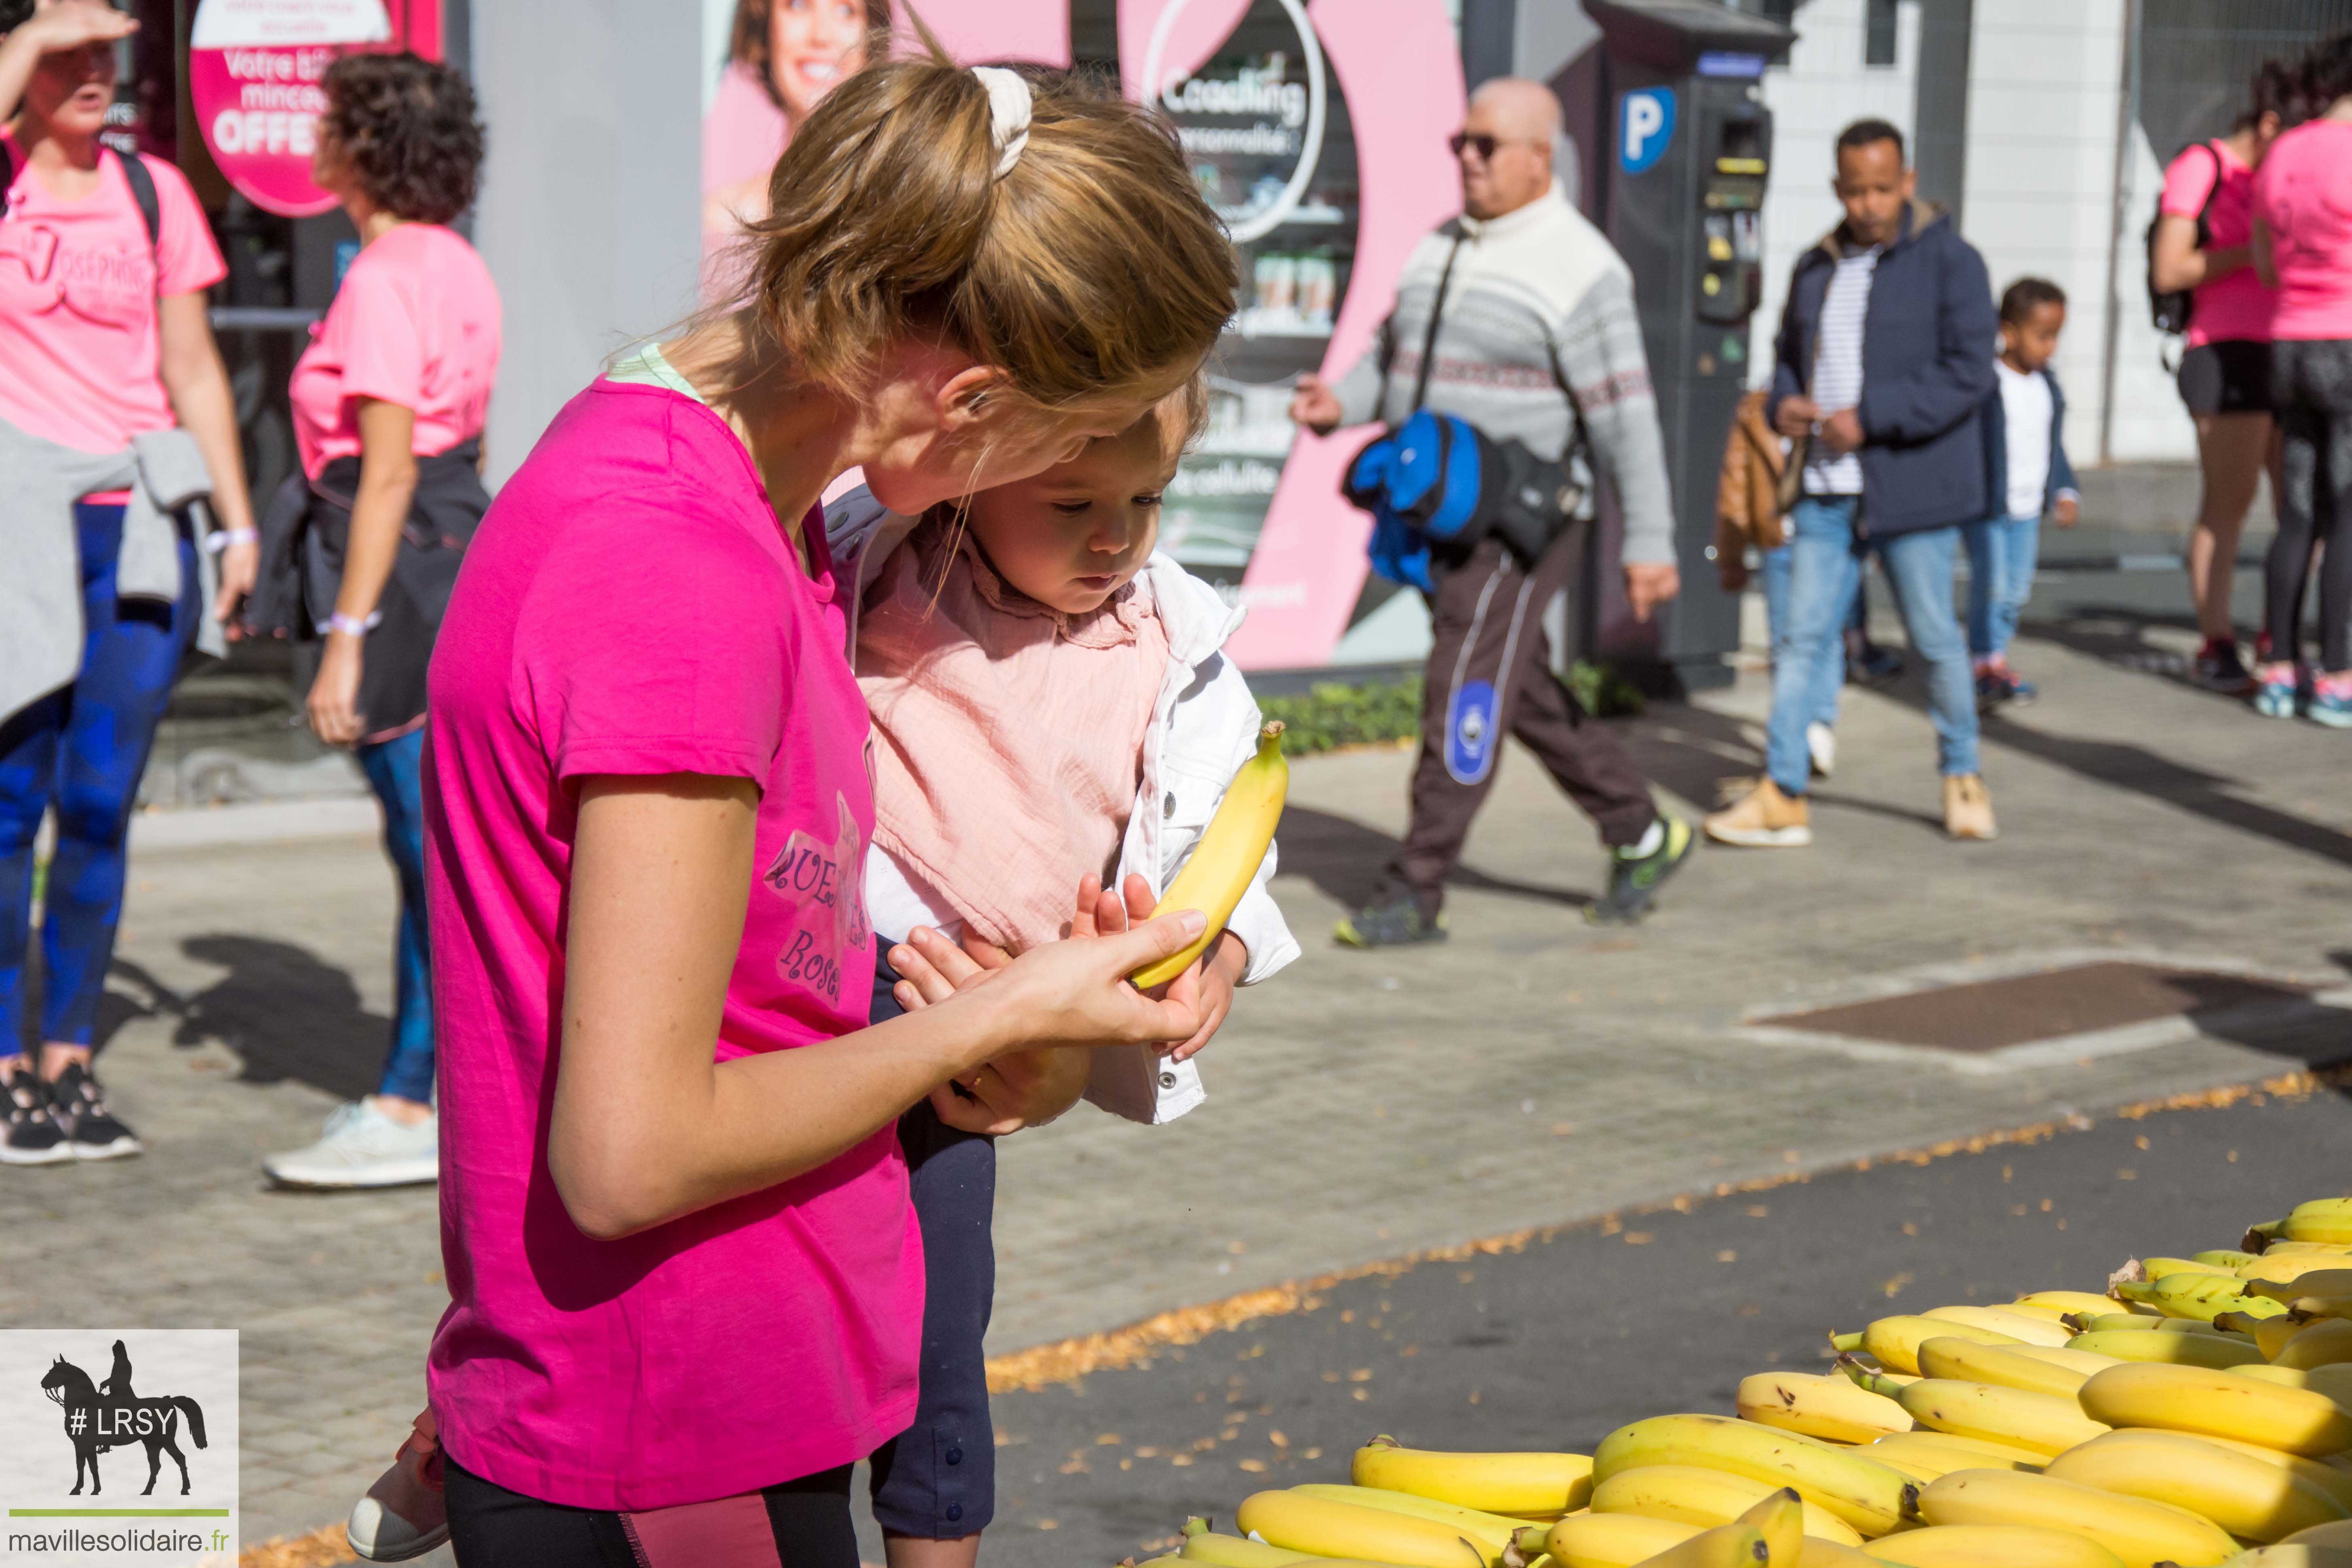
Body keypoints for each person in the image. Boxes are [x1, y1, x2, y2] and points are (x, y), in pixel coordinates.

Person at [413, 51, 1239, 1565]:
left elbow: (741, 1002)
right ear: (974, 399)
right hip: (670, 1446)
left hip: (704, 1416)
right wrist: (996, 1016)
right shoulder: (676, 569)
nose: (1095, 500)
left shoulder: (753, 509)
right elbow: (631, 1152)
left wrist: (1035, 1038)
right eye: (1077, 440)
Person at [817, 382, 1297, 1566]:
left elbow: (1230, 831)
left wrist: (1222, 947)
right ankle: (464, 1438)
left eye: (1147, 498)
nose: (1115, 535)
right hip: (819, 979)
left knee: (938, 1335)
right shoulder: (876, 563)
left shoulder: (1170, 646)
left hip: (977, 1037)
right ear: (970, 476)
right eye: (1072, 501)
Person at [1289, 76, 1695, 941]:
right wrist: (1342, 401)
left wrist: (1650, 545)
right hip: (1440, 510)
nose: (1465, 159)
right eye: (1459, 144)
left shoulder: (1584, 270)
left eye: (1485, 145)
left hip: (1524, 520)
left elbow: (1628, 418)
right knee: (1520, 688)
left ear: (1540, 160)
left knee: (1463, 682)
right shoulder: (1443, 244)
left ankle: (1415, 885)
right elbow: (1392, 351)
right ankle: (1643, 828)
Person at [0, 0, 259, 1165]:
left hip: (140, 526)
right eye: (70, 51)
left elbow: (193, 365)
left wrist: (236, 521)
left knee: (99, 805)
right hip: (18, 526)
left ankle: (69, 1059)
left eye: (107, 48)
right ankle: (5, 1058)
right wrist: (32, 33)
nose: (96, 69)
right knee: (9, 810)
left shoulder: (153, 189)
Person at [252, 53, 499, 1189]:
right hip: (445, 555)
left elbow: (387, 471)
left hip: (399, 577)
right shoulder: (453, 262)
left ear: (364, 147)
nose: (314, 136)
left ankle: (415, 1101)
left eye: (330, 121)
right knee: (439, 848)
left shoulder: (385, 275)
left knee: (428, 853)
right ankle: (434, 1088)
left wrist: (345, 641)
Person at [1706, 119, 2000, 849]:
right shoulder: (1815, 267)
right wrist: (1783, 406)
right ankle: (1782, 791)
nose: (1868, 203)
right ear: (1837, 187)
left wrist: (1870, 419)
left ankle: (1961, 774)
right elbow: (1781, 358)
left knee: (1933, 639)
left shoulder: (1951, 263)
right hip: (1824, 489)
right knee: (1800, 638)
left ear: (1906, 181)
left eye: (1882, 187)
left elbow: (1968, 372)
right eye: (1854, 189)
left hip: (1911, 488)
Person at [2153, 59, 2298, 693]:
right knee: (2229, 503)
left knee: (2299, 503)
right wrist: (2254, 254)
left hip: (2291, 349)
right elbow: (2170, 270)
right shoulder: (2202, 166)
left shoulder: (2289, 175)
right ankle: (2216, 642)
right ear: (2269, 125)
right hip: (2223, 350)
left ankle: (2279, 637)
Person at [2252, 32, 2352, 727]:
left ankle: (2280, 668)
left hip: (2287, 340)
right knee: (2348, 512)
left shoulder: (2285, 149)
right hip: (2347, 343)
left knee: (2294, 509)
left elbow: (2263, 263)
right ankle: (2338, 673)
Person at [1966, 276, 2079, 711]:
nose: (2051, 347)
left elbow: (2055, 446)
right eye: (2043, 335)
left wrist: (2065, 489)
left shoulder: (2048, 387)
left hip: (2028, 509)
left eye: (2056, 337)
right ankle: (1984, 664)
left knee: (2016, 590)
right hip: (1989, 507)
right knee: (1991, 586)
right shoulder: (1987, 383)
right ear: (2008, 332)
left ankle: (1997, 659)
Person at [702, 0, 885, 237]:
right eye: (798, 5)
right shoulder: (716, 223)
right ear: (765, 26)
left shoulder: (902, 217)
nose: (822, 35)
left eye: (846, 10)